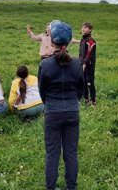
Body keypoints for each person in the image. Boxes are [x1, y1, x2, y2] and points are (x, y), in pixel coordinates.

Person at [38, 20, 84, 190]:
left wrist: (50, 103)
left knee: (52, 153)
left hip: (52, 112)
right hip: (72, 111)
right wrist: (73, 101)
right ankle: (71, 187)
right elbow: (81, 88)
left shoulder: (44, 64)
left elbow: (42, 91)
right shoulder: (78, 64)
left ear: (52, 41)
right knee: (71, 153)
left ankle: (50, 187)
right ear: (69, 41)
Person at [79, 22, 96, 106]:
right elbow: (82, 53)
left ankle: (93, 101)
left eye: (85, 27)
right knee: (83, 82)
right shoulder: (83, 39)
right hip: (82, 64)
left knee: (90, 83)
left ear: (90, 30)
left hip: (89, 65)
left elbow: (89, 53)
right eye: (82, 27)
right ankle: (86, 98)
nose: (83, 29)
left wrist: (84, 64)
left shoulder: (91, 40)